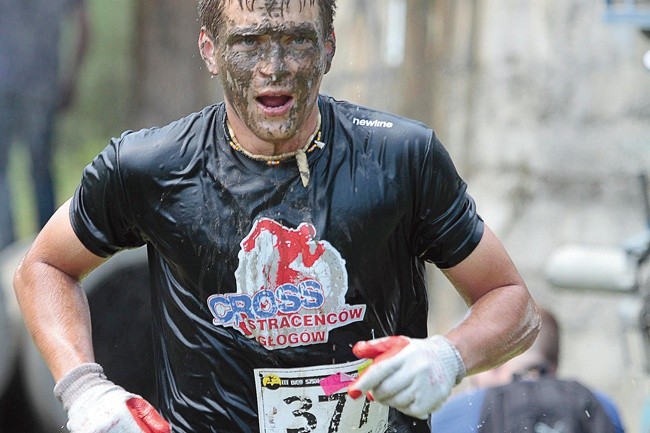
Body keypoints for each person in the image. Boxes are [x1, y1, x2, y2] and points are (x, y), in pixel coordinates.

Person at [12, 1, 541, 432]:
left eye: (296, 40)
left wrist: (449, 356)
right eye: (248, 43)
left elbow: (512, 301)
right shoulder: (151, 167)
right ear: (209, 50)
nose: (275, 69)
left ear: (329, 47)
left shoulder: (401, 158)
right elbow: (43, 268)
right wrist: (84, 390)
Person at [429, 307, 625, 433]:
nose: (473, 385)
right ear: (553, 367)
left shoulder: (463, 409)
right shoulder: (600, 404)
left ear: (495, 364)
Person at [0, 0, 90, 252]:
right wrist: (71, 78)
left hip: (7, 86)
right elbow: (84, 26)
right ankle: (48, 252)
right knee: (41, 172)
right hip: (41, 88)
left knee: (3, 173)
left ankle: (6, 252)